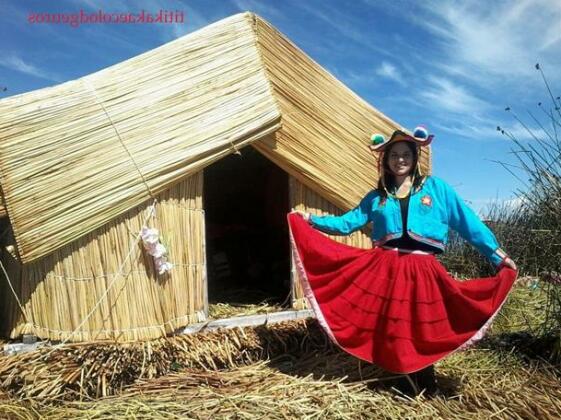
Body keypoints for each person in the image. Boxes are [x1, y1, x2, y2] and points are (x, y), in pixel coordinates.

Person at [288, 125, 518, 397]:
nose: (400, 159)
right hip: (387, 269)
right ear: (385, 160)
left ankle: (426, 382)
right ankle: (403, 382)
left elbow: (468, 224)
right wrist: (310, 221)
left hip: (423, 269)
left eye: (405, 154)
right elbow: (347, 223)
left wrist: (498, 254)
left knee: (422, 327)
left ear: (414, 157)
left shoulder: (437, 189)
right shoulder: (377, 197)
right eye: (394, 155)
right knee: (396, 328)